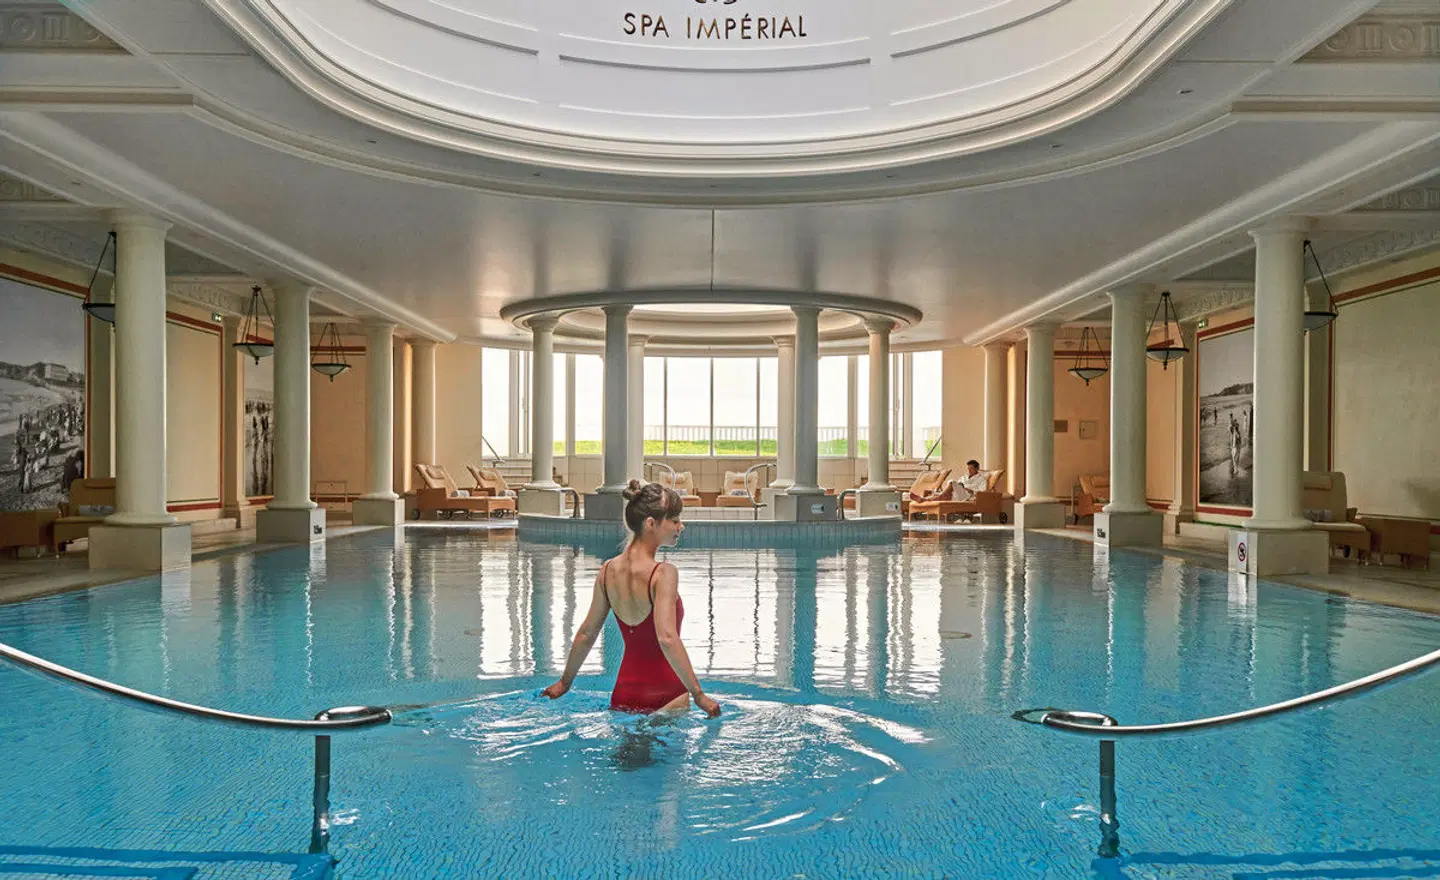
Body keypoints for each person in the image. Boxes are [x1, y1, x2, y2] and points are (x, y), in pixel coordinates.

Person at [543, 479, 722, 718]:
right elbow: (667, 638)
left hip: (624, 694)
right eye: (675, 520)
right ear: (651, 523)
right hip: (667, 693)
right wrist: (699, 695)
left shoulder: (607, 570)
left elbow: (587, 633)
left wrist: (564, 683)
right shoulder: (663, 573)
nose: (681, 526)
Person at [911, 459, 988, 503]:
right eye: (968, 469)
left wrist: (967, 489)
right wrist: (959, 487)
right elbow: (956, 487)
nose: (969, 470)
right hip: (956, 495)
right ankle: (924, 499)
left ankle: (938, 495)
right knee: (943, 495)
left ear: (977, 468)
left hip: (966, 496)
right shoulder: (963, 477)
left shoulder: (981, 479)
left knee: (952, 482)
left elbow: (982, 492)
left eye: (971, 469)